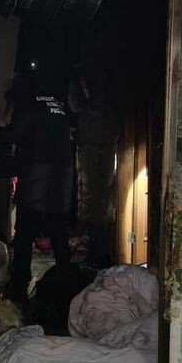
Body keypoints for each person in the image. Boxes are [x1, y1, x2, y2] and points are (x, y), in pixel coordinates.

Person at [6, 63, 75, 307]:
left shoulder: (31, 104)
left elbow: (14, 135)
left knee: (24, 234)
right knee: (59, 235)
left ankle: (19, 290)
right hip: (62, 179)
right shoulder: (61, 106)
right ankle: (68, 286)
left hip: (37, 179)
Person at [68, 64, 119, 267]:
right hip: (101, 145)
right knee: (98, 200)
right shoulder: (109, 93)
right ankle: (100, 255)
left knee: (92, 199)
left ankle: (100, 257)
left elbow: (77, 105)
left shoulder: (95, 100)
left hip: (93, 146)